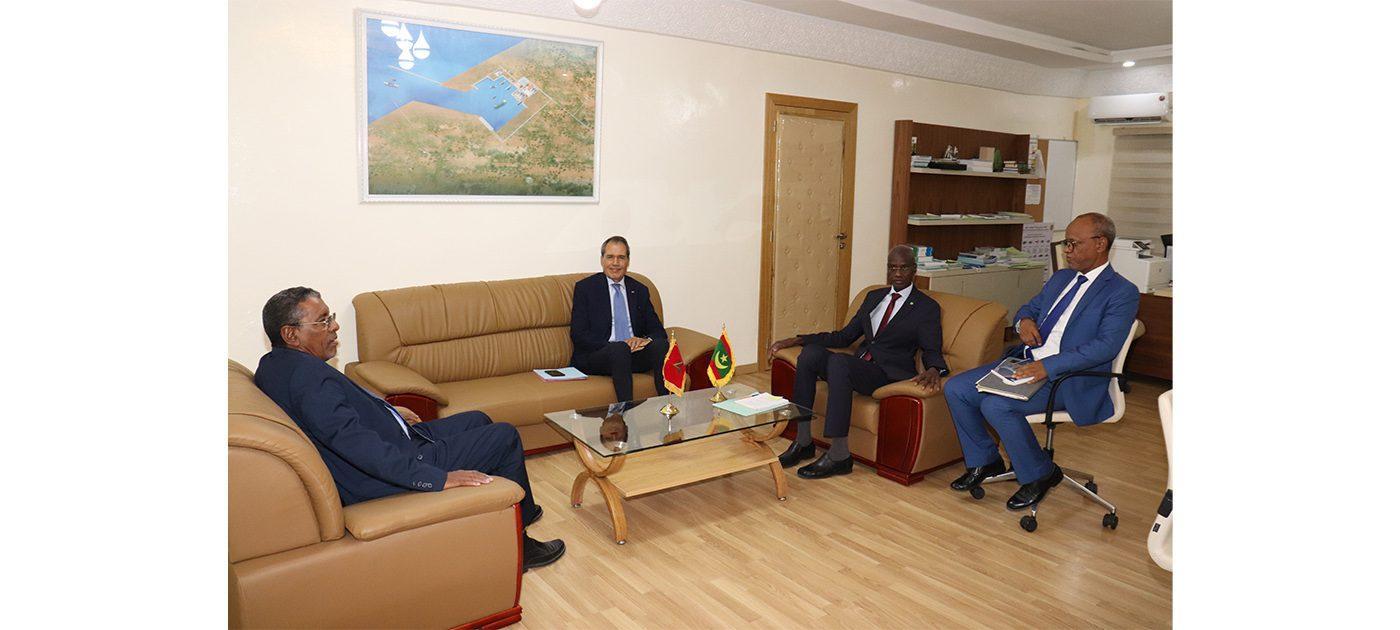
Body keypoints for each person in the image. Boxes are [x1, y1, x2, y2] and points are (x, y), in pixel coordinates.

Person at [253, 287, 566, 570]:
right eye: (323, 321)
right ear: (291, 335)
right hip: (385, 472)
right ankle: (520, 548)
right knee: (503, 436)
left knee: (477, 419)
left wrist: (390, 413)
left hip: (393, 441)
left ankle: (518, 508)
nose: (334, 327)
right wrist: (437, 478)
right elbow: (355, 443)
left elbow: (339, 417)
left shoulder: (274, 365)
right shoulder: (308, 379)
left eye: (331, 317)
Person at [944, 213, 1140, 510]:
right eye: (1066, 244)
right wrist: (1024, 321)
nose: (1067, 251)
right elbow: (1028, 307)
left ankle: (1040, 473)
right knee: (957, 388)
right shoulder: (1062, 278)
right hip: (1025, 363)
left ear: (1100, 244)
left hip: (1068, 377)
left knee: (996, 405)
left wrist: (1048, 366)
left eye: (1074, 244)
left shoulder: (1122, 292)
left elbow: (1105, 347)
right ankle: (986, 461)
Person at [768, 245, 948, 479]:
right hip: (859, 366)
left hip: (886, 374)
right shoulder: (874, 297)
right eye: (892, 268)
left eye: (903, 268)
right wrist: (798, 339)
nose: (897, 274)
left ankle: (839, 455)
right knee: (810, 354)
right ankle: (803, 441)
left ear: (914, 270)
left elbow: (932, 348)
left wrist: (935, 368)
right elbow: (844, 336)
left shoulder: (926, 307)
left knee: (839, 362)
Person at [570, 236, 668, 402]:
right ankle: (627, 412)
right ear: (602, 260)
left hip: (633, 355)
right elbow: (578, 335)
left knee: (660, 345)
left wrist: (643, 340)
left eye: (621, 257)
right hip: (600, 355)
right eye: (610, 257)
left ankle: (667, 406)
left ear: (627, 261)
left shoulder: (639, 290)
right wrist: (616, 346)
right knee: (619, 349)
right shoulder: (586, 288)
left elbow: (658, 331)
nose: (615, 263)